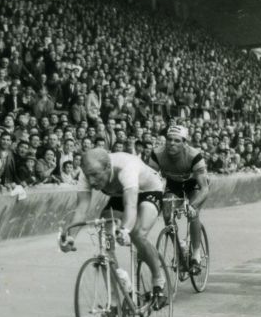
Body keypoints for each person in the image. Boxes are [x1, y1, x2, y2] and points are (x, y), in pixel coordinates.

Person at [60, 148, 168, 307]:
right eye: (88, 176)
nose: (92, 182)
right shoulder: (88, 172)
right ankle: (115, 302)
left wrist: (124, 229)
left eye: (96, 176)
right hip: (119, 194)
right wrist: (71, 236)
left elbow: (130, 205)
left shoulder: (126, 169)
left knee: (137, 233)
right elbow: (81, 209)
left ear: (108, 168)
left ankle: (159, 282)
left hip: (148, 191)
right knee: (105, 243)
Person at [148, 125, 209, 275]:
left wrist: (193, 205)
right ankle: (179, 250)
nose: (172, 143)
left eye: (177, 140)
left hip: (193, 184)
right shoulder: (157, 154)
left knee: (192, 213)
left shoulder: (194, 155)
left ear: (184, 143)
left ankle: (195, 256)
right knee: (168, 216)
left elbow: (204, 188)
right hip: (173, 184)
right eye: (169, 139)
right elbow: (150, 181)